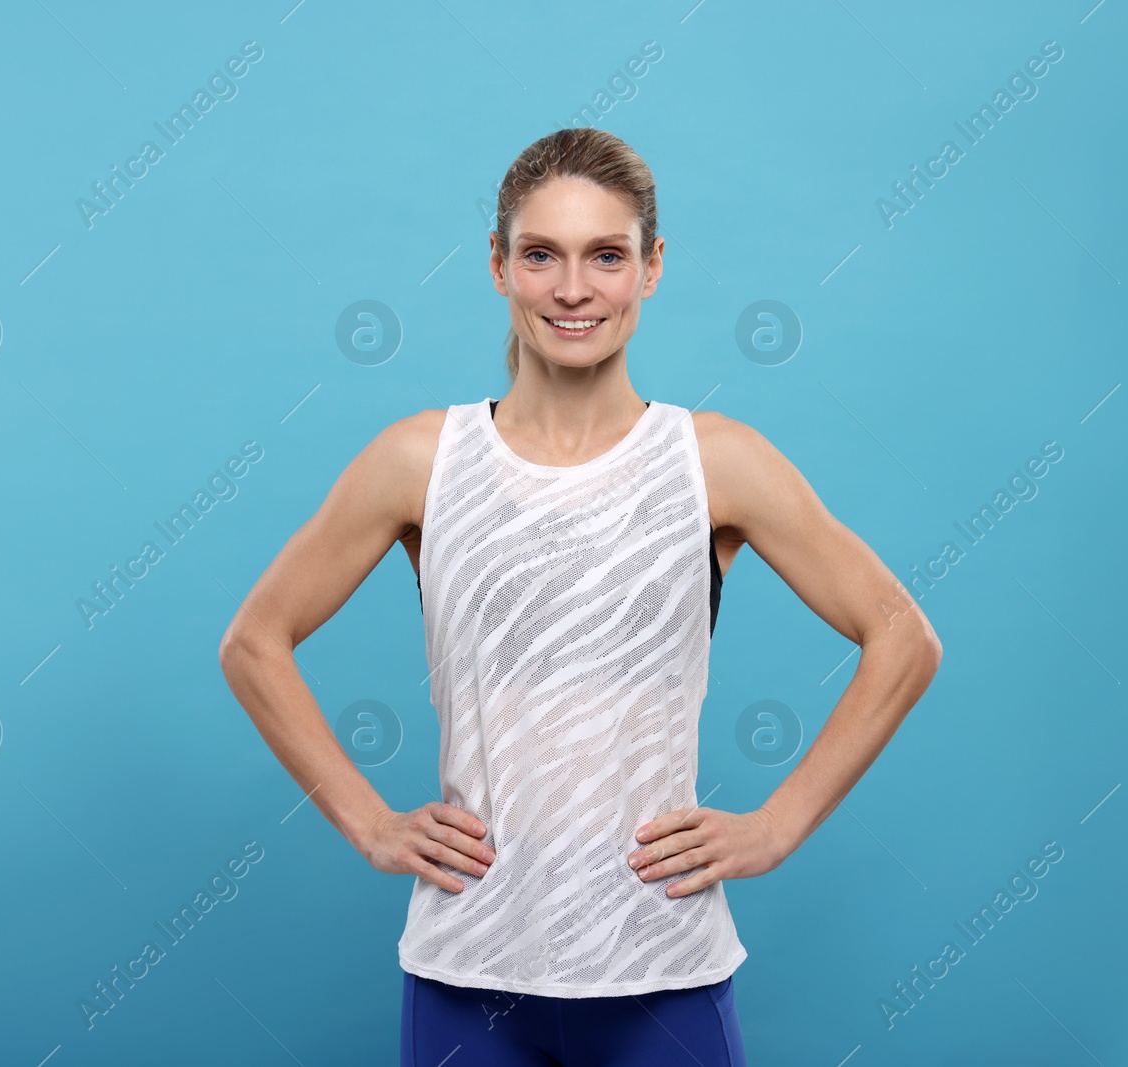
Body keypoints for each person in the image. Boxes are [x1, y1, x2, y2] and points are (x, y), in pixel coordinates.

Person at [218, 128, 943, 1066]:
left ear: (652, 267)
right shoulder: (420, 462)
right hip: (466, 970)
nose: (572, 289)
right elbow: (254, 640)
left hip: (663, 971)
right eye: (540, 256)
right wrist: (367, 821)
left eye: (606, 255)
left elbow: (902, 637)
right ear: (496, 266)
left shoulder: (714, 462)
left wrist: (776, 824)